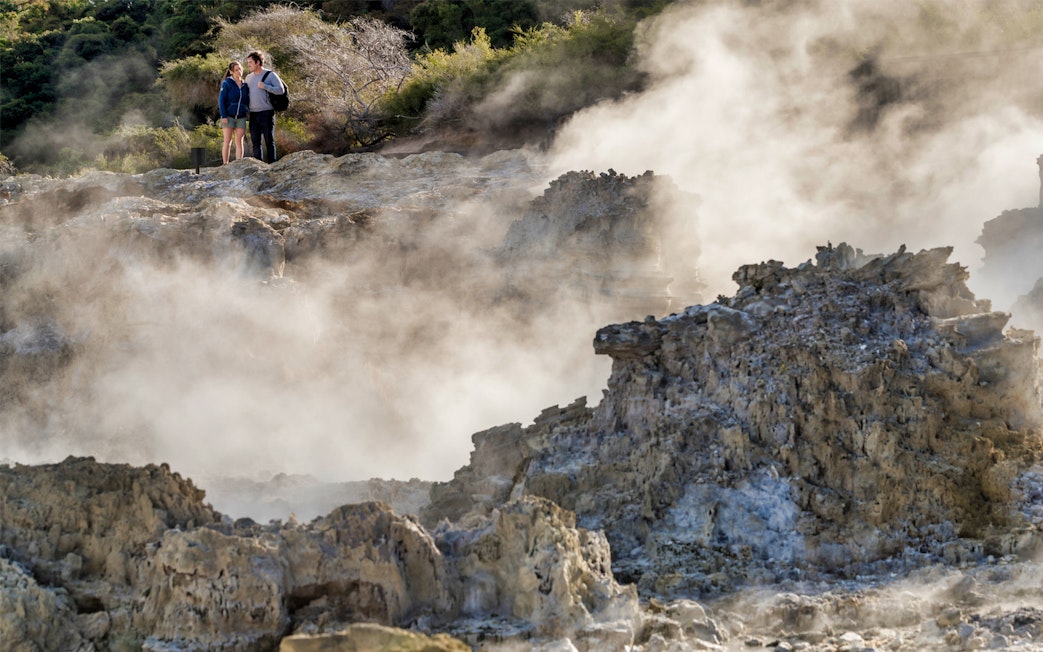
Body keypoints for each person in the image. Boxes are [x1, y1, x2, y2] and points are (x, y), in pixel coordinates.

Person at [244, 51, 286, 163]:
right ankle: (259, 166)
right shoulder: (248, 78)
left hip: (267, 113)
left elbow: (281, 90)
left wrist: (265, 86)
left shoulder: (271, 75)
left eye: (250, 62)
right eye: (248, 62)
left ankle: (272, 165)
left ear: (258, 62)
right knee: (255, 143)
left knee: (269, 141)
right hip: (253, 114)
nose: (248, 64)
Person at [218, 61, 249, 164]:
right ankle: (225, 164)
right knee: (227, 142)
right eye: (236, 70)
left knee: (239, 141)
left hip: (241, 117)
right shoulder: (227, 83)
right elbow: (221, 100)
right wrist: (223, 115)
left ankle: (238, 163)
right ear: (231, 72)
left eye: (240, 69)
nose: (239, 72)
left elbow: (247, 100)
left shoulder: (245, 85)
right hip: (228, 116)